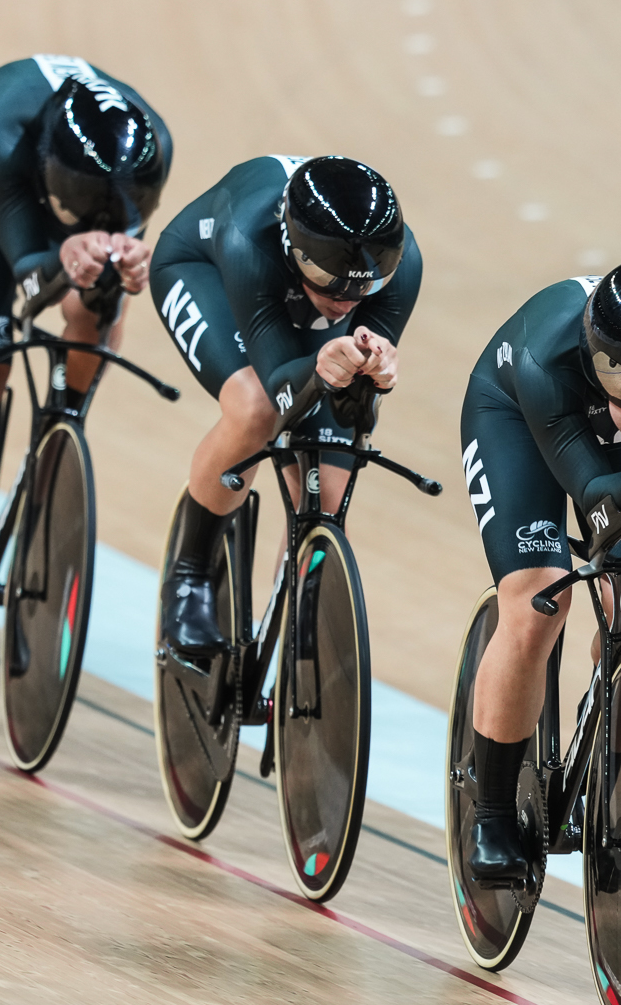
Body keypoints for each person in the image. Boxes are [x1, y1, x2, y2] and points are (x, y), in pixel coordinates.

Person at [0, 55, 173, 670]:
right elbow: (29, 275)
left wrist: (124, 262)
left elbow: (113, 260)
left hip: (68, 192)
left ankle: (63, 423)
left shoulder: (151, 149)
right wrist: (62, 252)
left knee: (100, 300)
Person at [457, 257, 621, 884]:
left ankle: (596, 750)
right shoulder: (547, 361)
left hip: (608, 432)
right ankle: (492, 812)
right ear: (603, 364)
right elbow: (597, 498)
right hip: (518, 421)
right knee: (536, 602)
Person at [149, 155, 423, 657]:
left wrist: (376, 368)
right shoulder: (250, 240)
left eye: (365, 285)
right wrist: (322, 365)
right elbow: (280, 387)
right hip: (206, 271)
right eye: (328, 278)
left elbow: (355, 399)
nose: (345, 300)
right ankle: (189, 577)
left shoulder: (397, 267)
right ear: (294, 248)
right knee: (255, 409)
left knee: (329, 495)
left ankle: (295, 637)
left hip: (298, 298)